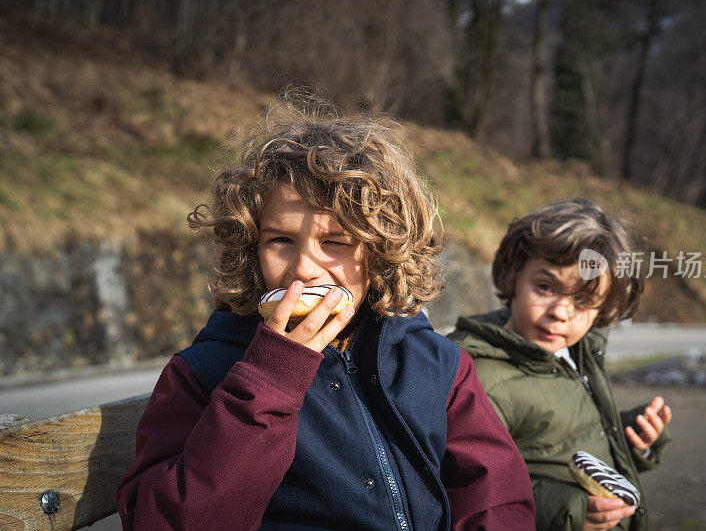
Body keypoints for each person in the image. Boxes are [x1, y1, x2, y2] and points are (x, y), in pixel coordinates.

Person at [116, 98, 535, 530]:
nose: (303, 267)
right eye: (280, 240)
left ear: (380, 252)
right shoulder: (204, 373)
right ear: (251, 248)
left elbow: (496, 501)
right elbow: (167, 520)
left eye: (334, 242)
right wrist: (270, 380)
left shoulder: (437, 363)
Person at [447, 199, 672, 531]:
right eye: (546, 287)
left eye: (582, 301)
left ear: (603, 308)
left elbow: (562, 436)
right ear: (514, 274)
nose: (561, 312)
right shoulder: (478, 376)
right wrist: (568, 510)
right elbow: (473, 491)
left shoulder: (579, 351)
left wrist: (629, 437)